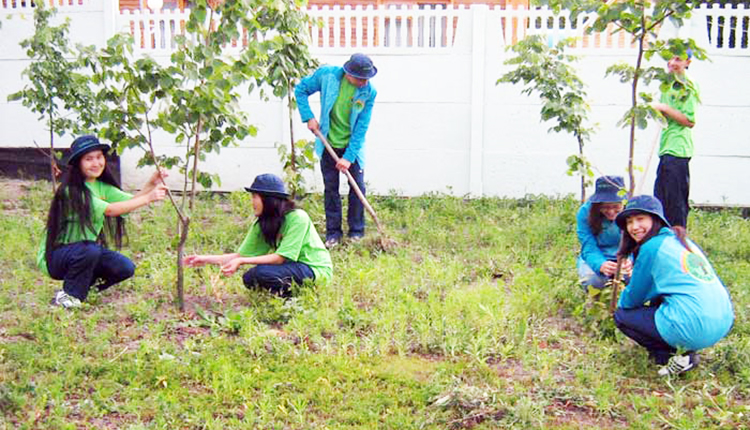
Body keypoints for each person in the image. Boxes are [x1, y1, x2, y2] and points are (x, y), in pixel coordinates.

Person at [40, 135, 168, 308]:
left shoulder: (101, 187)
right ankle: (69, 297)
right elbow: (110, 210)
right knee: (90, 250)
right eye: (89, 159)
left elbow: (129, 202)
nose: (96, 163)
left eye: (99, 157)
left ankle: (79, 290)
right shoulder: (72, 191)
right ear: (78, 163)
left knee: (124, 267)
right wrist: (149, 198)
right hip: (56, 257)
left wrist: (151, 184)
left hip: (84, 252)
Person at [613, 195, 734, 376]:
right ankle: (686, 352)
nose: (634, 227)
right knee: (659, 302)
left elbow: (631, 300)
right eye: (629, 222)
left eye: (640, 219)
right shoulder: (681, 240)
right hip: (723, 320)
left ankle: (669, 358)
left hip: (694, 325)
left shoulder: (651, 247)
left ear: (655, 220)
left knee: (622, 315)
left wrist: (626, 280)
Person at [183, 173, 332, 296]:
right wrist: (203, 259)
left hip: (314, 269)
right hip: (292, 268)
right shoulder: (263, 223)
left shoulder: (297, 218)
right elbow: (239, 256)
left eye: (255, 197)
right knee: (250, 278)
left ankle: (295, 297)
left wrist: (242, 262)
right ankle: (288, 296)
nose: (252, 201)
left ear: (268, 200)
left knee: (261, 273)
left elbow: (280, 258)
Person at [295, 53, 378, 248]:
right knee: (331, 188)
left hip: (353, 147)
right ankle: (333, 233)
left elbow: (361, 127)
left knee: (358, 187)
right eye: (361, 79)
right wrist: (308, 117)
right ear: (349, 73)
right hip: (328, 142)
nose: (364, 82)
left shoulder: (369, 92)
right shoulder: (327, 76)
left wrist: (348, 157)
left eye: (367, 79)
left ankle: (356, 231)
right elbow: (301, 89)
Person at [651, 50, 700, 228]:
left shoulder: (687, 85)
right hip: (666, 149)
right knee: (660, 200)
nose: (672, 62)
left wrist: (663, 107)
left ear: (688, 62)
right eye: (669, 58)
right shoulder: (668, 84)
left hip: (678, 150)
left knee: (675, 203)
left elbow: (689, 121)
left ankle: (679, 242)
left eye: (678, 59)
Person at [576, 175, 631, 290]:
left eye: (616, 206)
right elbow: (588, 246)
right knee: (593, 282)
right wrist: (600, 264)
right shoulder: (585, 212)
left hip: (625, 256)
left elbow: (639, 242)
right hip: (597, 255)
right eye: (605, 207)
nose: (611, 212)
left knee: (637, 279)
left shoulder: (632, 210)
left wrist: (630, 259)